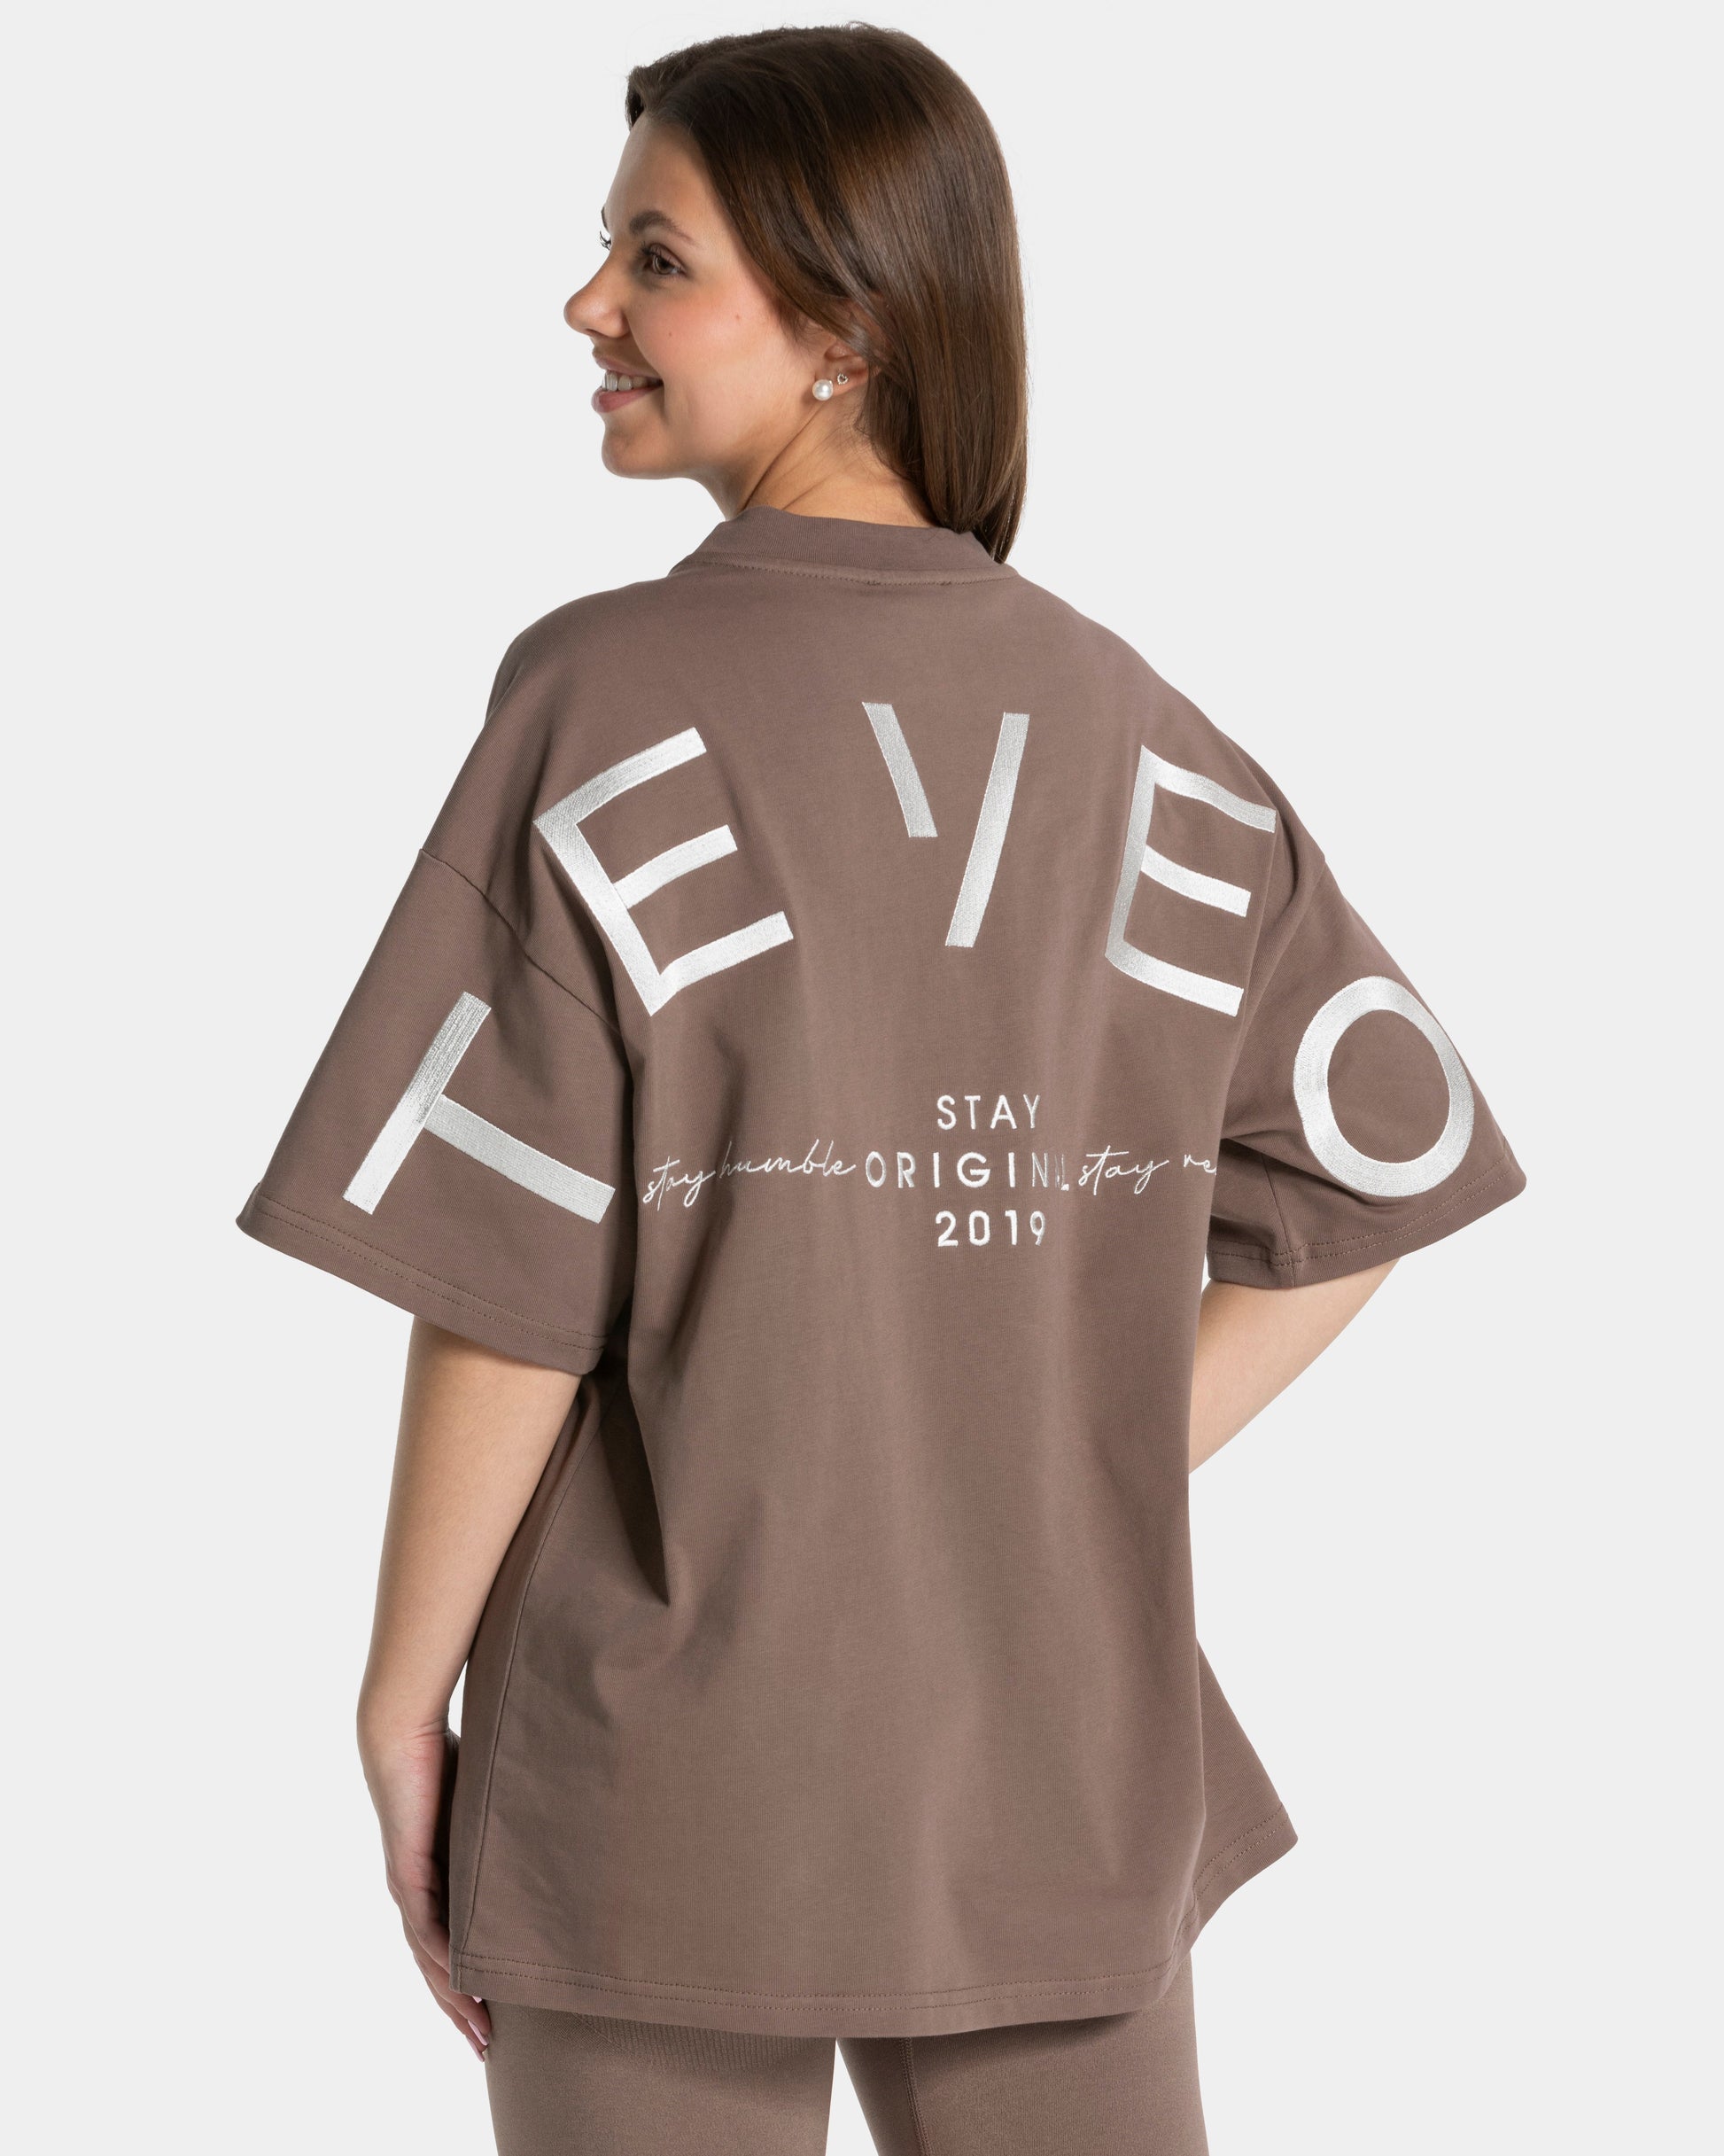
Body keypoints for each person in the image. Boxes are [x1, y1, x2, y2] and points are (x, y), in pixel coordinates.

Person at [237, 25, 1525, 2154]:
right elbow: (1372, 1164)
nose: (586, 305)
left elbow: (509, 1265)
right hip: (1057, 1752)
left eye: (656, 260)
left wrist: (400, 1704)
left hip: (663, 1753)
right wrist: (1056, 1455)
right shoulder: (1137, 725)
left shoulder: (603, 694)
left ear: (845, 330)